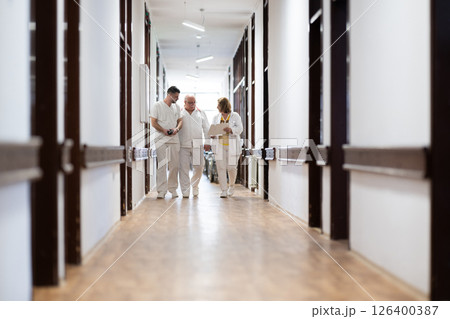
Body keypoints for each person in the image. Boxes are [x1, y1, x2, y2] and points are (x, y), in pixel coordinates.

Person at [150, 86, 183, 199]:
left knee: (174, 165)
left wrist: (176, 129)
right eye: (175, 97)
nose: (177, 99)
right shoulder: (157, 105)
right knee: (162, 165)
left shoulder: (177, 107)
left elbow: (180, 121)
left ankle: (173, 189)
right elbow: (153, 122)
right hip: (160, 138)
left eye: (178, 97)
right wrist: (163, 130)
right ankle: (161, 191)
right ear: (169, 95)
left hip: (174, 139)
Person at [178, 95, 211, 198]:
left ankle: (195, 185)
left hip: (198, 144)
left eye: (194, 102)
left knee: (199, 167)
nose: (193, 105)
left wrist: (207, 142)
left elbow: (206, 128)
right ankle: (185, 190)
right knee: (184, 169)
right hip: (183, 144)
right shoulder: (179, 112)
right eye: (190, 103)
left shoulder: (201, 112)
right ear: (185, 102)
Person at [211, 97, 243, 198]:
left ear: (224, 105)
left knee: (232, 168)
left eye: (218, 105)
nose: (217, 107)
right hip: (220, 146)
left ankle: (231, 185)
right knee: (221, 168)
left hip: (232, 146)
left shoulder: (235, 116)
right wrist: (212, 134)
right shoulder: (216, 117)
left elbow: (240, 129)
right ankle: (223, 190)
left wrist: (231, 129)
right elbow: (213, 129)